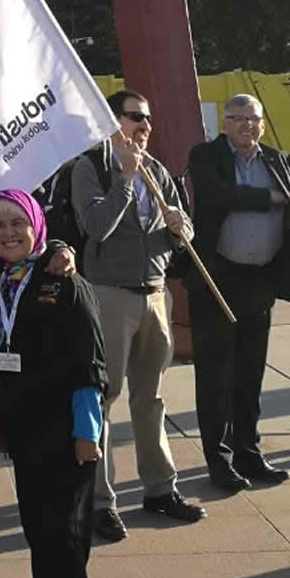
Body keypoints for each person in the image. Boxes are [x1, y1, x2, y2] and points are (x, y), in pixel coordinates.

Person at [0, 189, 106, 578]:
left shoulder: (65, 281)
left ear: (37, 224)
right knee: (38, 532)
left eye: (18, 222)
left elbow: (89, 362)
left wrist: (87, 431)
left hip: (67, 432)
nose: (9, 233)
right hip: (25, 431)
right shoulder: (1, 282)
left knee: (66, 536)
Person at [71, 90, 205, 541]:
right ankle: (100, 502)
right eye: (135, 118)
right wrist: (126, 179)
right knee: (104, 398)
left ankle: (160, 489)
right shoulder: (91, 168)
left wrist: (181, 228)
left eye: (148, 118)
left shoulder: (159, 170)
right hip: (110, 295)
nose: (145, 126)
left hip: (155, 293)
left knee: (151, 399)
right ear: (113, 122)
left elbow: (180, 231)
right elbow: (97, 227)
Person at [186, 94, 290, 491]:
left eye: (254, 119)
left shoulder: (277, 160)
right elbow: (220, 194)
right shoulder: (206, 155)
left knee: (250, 373)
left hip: (261, 281)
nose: (247, 125)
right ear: (224, 123)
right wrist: (274, 199)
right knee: (216, 376)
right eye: (239, 118)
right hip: (216, 279)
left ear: (263, 124)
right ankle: (219, 460)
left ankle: (248, 451)